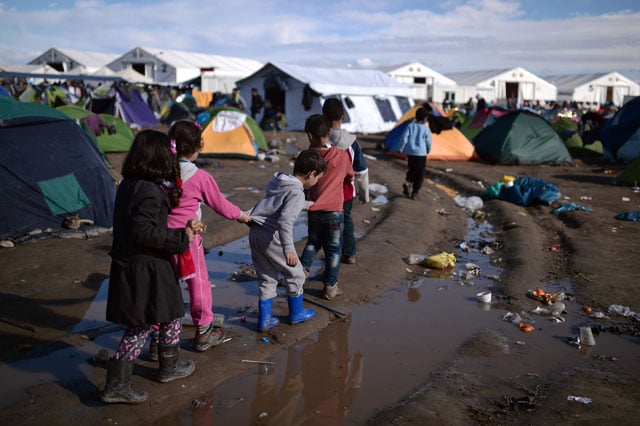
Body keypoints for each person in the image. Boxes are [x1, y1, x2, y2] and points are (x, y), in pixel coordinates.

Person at [102, 130, 200, 404]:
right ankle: (116, 385)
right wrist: (181, 237)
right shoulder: (147, 190)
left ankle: (169, 367)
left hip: (143, 264)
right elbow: (144, 232)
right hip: (144, 268)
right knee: (140, 325)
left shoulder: (130, 184)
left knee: (169, 314)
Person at [162, 121, 251, 353]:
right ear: (198, 147)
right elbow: (221, 205)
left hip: (160, 239)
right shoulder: (200, 177)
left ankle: (157, 337)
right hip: (188, 240)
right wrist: (241, 216)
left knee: (163, 286)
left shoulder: (160, 173)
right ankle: (203, 331)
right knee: (198, 284)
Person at [248, 149, 327, 331]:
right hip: (272, 236)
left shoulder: (280, 183)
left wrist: (307, 205)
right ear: (311, 174)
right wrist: (289, 249)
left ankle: (265, 320)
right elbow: (285, 220)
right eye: (318, 178)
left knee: (266, 276)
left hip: (255, 232)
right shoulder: (297, 193)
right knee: (296, 274)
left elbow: (280, 204)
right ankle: (296, 313)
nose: (317, 182)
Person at [299, 115, 354, 300]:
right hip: (334, 211)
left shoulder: (308, 156)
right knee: (333, 251)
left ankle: (299, 274)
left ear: (309, 135)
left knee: (313, 242)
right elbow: (350, 175)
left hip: (313, 208)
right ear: (330, 132)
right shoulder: (341, 154)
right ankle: (330, 287)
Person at [322, 98, 370, 265]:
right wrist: (365, 195)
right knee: (346, 220)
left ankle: (331, 255)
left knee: (327, 225)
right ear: (343, 116)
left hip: (325, 192)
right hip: (346, 192)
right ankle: (349, 253)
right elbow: (361, 171)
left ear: (323, 116)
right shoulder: (351, 142)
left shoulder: (320, 141)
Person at [398, 107, 432, 200]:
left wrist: (400, 148)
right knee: (420, 173)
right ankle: (415, 192)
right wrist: (428, 150)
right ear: (425, 118)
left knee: (412, 169)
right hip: (421, 153)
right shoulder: (426, 128)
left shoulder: (410, 126)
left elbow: (404, 138)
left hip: (411, 153)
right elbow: (428, 141)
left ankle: (408, 181)